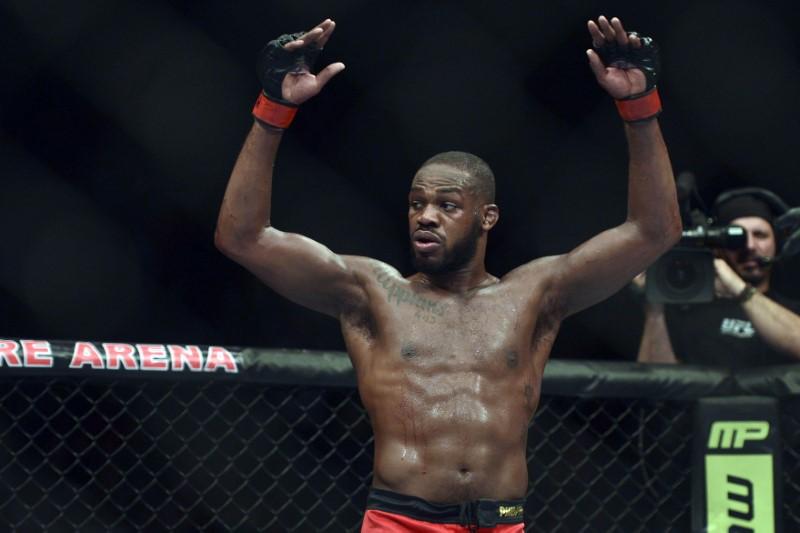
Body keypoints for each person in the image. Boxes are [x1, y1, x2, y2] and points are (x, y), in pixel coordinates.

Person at [215, 16, 681, 532]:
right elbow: (244, 237)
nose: (426, 215)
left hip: (502, 521)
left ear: (487, 217)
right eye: (416, 203)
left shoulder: (535, 295)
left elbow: (654, 231)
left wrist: (640, 109)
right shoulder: (372, 292)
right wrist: (272, 111)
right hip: (401, 521)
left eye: (447, 204)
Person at [637, 189, 800, 367]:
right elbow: (657, 383)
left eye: (760, 235)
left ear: (778, 242)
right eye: (736, 237)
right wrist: (654, 310)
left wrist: (738, 288)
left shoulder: (792, 311)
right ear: (720, 247)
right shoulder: (690, 310)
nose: (749, 246)